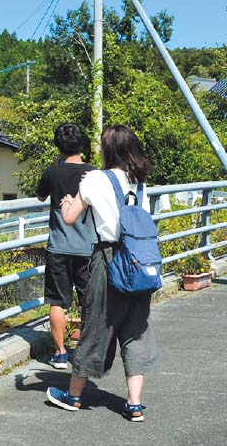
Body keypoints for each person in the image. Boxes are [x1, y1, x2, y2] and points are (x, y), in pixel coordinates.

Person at [46, 125, 159, 422]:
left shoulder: (97, 178)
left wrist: (70, 203)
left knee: (97, 325)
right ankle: (135, 404)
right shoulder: (141, 180)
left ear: (108, 149)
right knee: (136, 330)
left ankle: (73, 396)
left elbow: (70, 218)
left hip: (109, 259)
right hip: (140, 260)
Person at [36, 123, 95, 369]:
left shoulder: (52, 172)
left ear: (58, 146)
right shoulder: (93, 174)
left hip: (59, 246)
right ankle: (87, 351)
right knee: (89, 301)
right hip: (87, 246)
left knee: (57, 301)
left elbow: (40, 196)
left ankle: (61, 353)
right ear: (83, 144)